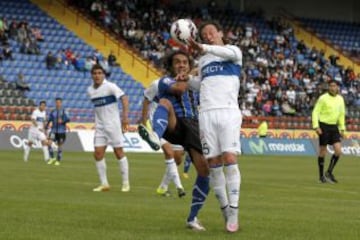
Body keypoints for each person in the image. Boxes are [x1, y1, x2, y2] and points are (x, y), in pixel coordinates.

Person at [138, 50, 209, 231]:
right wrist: (187, 75)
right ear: (171, 65)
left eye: (185, 62)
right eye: (177, 62)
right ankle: (155, 134)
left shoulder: (193, 84)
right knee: (166, 104)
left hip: (193, 126)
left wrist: (192, 74)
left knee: (204, 171)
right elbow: (179, 89)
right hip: (175, 124)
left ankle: (192, 218)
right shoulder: (165, 81)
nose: (181, 64)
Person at [189, 20, 242, 233]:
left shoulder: (233, 52)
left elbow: (222, 52)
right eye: (205, 35)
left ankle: (235, 212)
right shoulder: (203, 61)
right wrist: (186, 80)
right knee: (212, 162)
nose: (208, 36)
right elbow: (200, 84)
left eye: (211, 32)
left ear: (220, 33)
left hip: (228, 111)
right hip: (206, 113)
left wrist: (202, 46)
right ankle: (225, 210)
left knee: (229, 157)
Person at [87, 64, 130, 192]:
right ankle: (104, 184)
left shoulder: (110, 86)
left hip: (113, 125)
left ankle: (126, 183)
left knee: (119, 153)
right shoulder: (90, 90)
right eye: (95, 73)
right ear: (92, 75)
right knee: (98, 153)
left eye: (100, 73)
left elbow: (124, 98)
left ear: (103, 75)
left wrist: (125, 117)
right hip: (100, 126)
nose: (97, 75)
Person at [139, 78, 185, 197]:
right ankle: (180, 187)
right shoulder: (157, 84)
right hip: (156, 120)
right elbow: (146, 100)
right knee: (169, 152)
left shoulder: (185, 86)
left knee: (178, 158)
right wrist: (144, 122)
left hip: (173, 123)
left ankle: (163, 187)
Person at [312, 80, 346, 184]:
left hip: (334, 127)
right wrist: (316, 126)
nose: (332, 88)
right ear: (328, 87)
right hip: (324, 126)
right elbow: (315, 112)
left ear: (337, 87)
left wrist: (342, 128)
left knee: (338, 151)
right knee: (323, 151)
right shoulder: (323, 98)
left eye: (334, 86)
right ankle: (321, 176)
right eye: (330, 86)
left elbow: (341, 114)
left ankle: (329, 172)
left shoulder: (340, 99)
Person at [45, 98, 70, 166]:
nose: (58, 104)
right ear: (55, 103)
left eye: (59, 102)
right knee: (49, 143)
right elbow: (50, 119)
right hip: (53, 130)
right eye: (56, 102)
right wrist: (46, 126)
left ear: (61, 103)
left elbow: (68, 119)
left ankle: (58, 160)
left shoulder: (64, 111)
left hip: (61, 131)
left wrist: (62, 121)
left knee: (60, 145)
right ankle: (52, 158)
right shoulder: (53, 111)